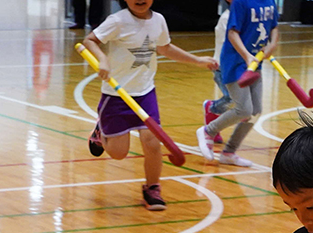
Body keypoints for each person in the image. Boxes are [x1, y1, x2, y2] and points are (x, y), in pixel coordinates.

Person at [82, 0, 217, 211]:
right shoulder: (117, 21)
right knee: (118, 153)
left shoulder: (159, 20)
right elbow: (89, 40)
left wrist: (197, 60)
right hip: (117, 95)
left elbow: (165, 48)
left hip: (145, 93)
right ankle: (101, 132)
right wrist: (102, 59)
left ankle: (152, 187)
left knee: (152, 143)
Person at [196, 0, 277, 167]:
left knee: (255, 111)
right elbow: (232, 33)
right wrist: (246, 55)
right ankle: (208, 131)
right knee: (244, 109)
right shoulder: (240, 3)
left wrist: (273, 44)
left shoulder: (270, 1)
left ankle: (229, 152)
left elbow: (274, 26)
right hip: (234, 62)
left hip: (255, 63)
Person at [202, 0, 233, 145]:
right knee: (230, 97)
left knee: (237, 99)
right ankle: (211, 108)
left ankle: (214, 124)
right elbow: (232, 44)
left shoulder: (243, 16)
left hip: (238, 66)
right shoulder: (227, 18)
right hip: (222, 66)